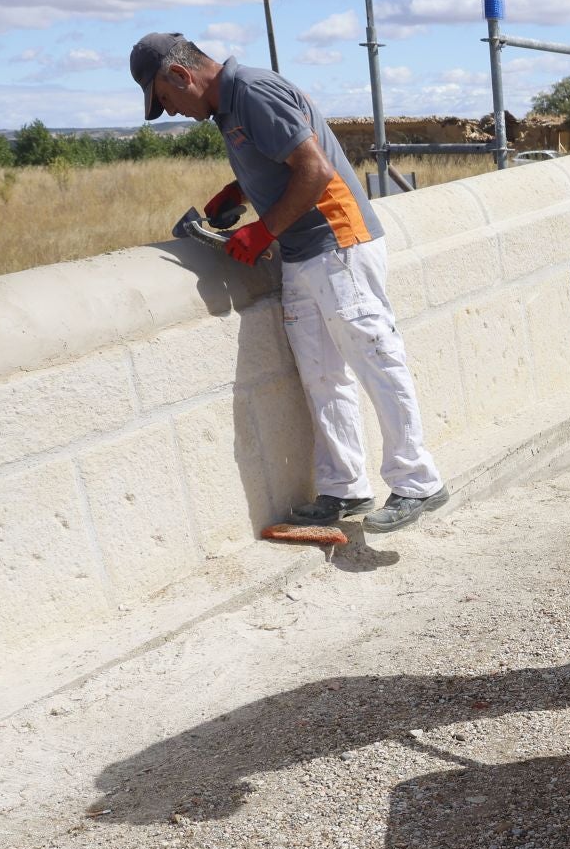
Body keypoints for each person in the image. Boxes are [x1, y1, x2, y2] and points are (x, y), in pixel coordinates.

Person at [129, 32, 447, 533]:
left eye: (165, 100)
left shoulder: (252, 91)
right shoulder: (229, 109)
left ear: (181, 75)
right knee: (322, 374)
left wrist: (262, 230)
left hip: (338, 242)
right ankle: (345, 488)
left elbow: (315, 170)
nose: (170, 112)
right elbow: (278, 158)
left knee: (376, 359)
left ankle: (418, 481)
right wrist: (239, 191)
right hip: (302, 253)